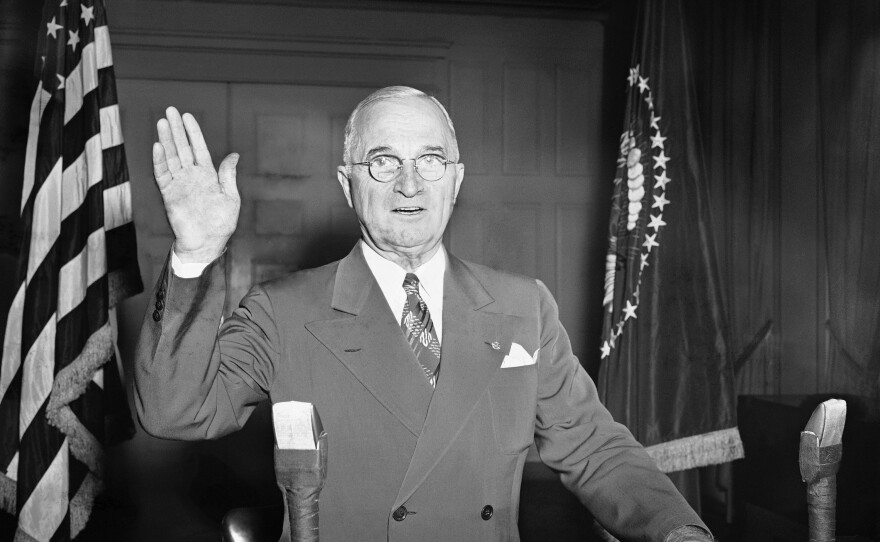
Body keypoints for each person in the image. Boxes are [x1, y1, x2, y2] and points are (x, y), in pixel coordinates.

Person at [134, 86, 712, 541]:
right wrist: (195, 256)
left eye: (431, 160)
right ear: (347, 184)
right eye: (383, 161)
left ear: (456, 180)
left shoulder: (522, 306)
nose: (409, 183)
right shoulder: (283, 312)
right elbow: (174, 412)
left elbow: (593, 447)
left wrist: (678, 531)